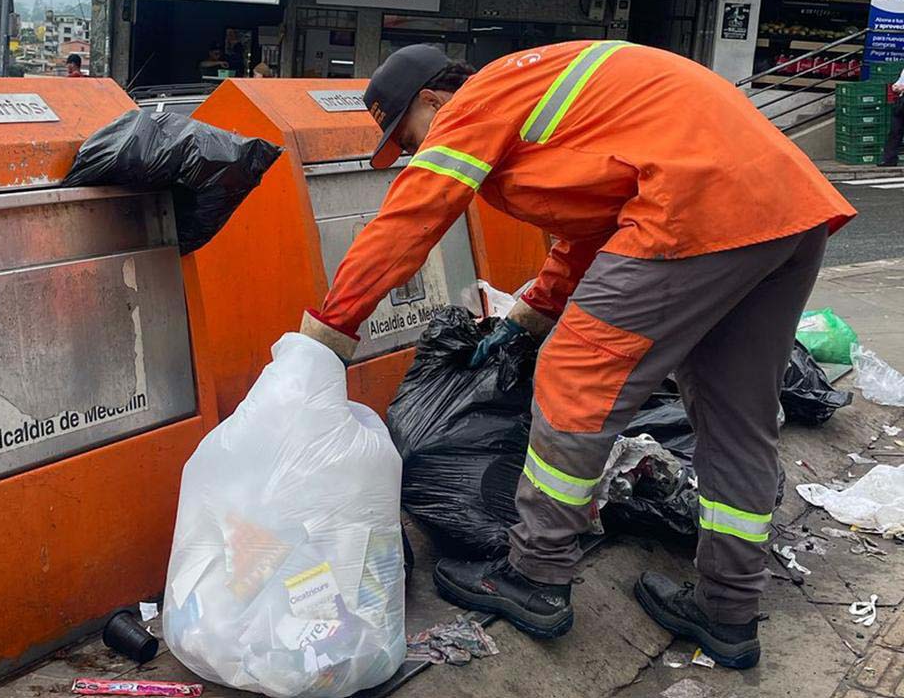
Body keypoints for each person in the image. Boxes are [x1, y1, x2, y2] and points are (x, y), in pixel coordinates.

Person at [298, 43, 855, 669]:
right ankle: (727, 611)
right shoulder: (547, 94)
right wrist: (533, 309)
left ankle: (534, 575)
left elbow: (413, 217)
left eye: (407, 136)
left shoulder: (478, 99)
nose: (412, 151)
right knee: (735, 421)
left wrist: (329, 330)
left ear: (434, 99)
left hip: (693, 209)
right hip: (784, 213)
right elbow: (596, 225)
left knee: (574, 381)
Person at [879, 66, 904, 167]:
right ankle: (889, 159)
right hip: (901, 103)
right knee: (895, 131)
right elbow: (899, 83)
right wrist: (896, 86)